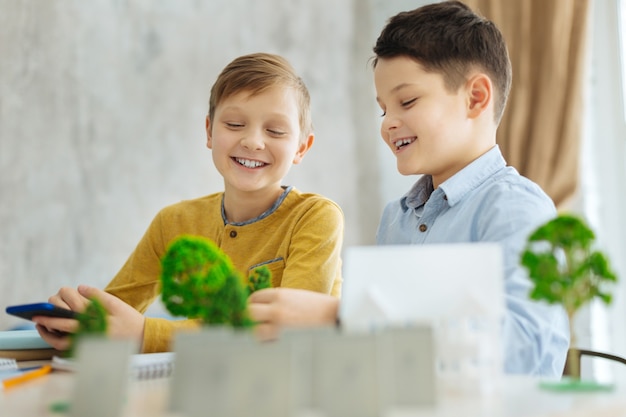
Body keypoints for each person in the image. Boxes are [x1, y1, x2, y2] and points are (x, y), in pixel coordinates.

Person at [249, 1, 569, 377]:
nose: (388, 124)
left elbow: (522, 350)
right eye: (384, 109)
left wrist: (342, 317)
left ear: (476, 97)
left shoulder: (517, 209)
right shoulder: (396, 218)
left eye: (407, 101)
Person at [34, 52, 344, 353]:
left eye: (275, 130)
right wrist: (77, 319)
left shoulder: (317, 217)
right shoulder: (174, 222)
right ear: (209, 131)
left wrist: (145, 334)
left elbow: (284, 332)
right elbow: (117, 312)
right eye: (235, 124)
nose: (253, 141)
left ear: (302, 147)